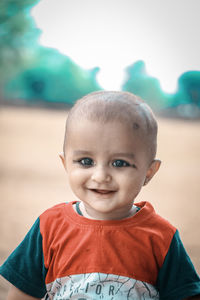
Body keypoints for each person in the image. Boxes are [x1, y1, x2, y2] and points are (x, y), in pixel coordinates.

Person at [0, 91, 200, 300]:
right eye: (86, 161)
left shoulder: (161, 237)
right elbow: (22, 294)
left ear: (149, 172)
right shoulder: (48, 227)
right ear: (66, 163)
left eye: (119, 163)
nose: (101, 176)